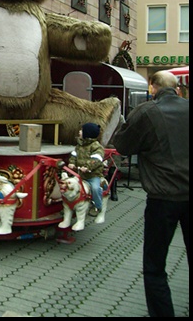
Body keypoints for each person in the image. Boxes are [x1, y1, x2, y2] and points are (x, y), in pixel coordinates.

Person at [113, 70, 189, 318]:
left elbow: (123, 146)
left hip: (163, 198)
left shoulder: (147, 111)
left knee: (155, 266)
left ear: (153, 88)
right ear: (177, 89)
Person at [68, 123, 106, 216]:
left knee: (95, 188)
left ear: (87, 133)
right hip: (80, 174)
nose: (79, 132)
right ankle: (71, 205)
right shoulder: (79, 145)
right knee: (71, 186)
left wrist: (88, 167)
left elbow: (96, 160)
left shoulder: (96, 147)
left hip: (92, 175)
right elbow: (74, 155)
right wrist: (72, 162)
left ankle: (97, 206)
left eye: (81, 130)